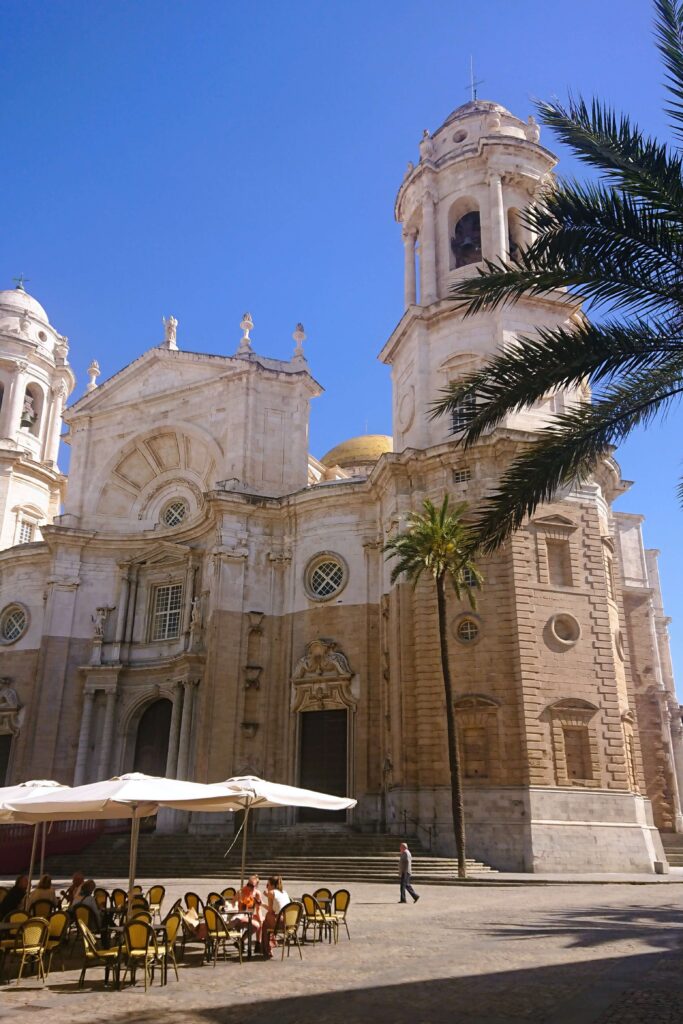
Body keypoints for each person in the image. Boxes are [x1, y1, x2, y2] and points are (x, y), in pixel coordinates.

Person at [260, 875, 290, 959]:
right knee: (269, 919)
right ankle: (270, 945)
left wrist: (263, 901)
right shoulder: (284, 892)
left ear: (272, 885)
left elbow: (270, 911)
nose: (266, 887)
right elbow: (275, 907)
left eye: (268, 885)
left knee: (266, 923)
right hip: (289, 922)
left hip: (280, 923)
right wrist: (263, 903)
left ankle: (267, 950)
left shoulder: (271, 892)